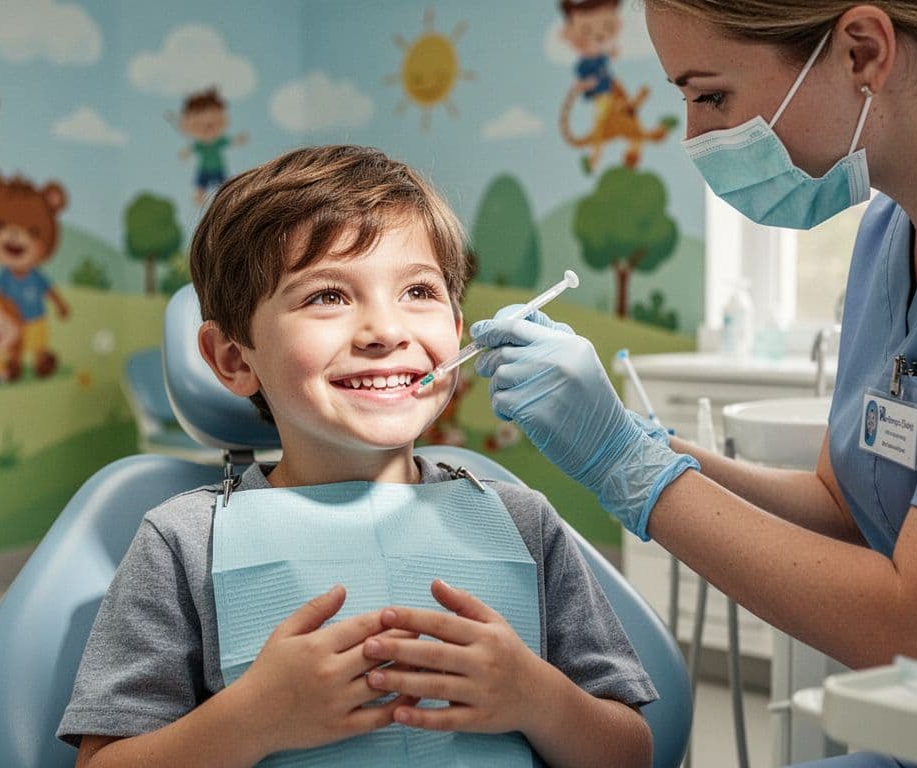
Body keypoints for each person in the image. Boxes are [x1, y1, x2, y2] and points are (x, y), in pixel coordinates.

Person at [389, 2, 917, 765]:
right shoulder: (893, 227)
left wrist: (628, 469)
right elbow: (846, 505)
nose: (695, 137)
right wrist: (642, 440)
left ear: (860, 52)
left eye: (710, 96)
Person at [57, 145, 656, 767]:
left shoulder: (524, 524)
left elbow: (633, 753)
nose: (385, 331)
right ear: (235, 359)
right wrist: (253, 720)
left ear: (456, 329)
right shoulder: (182, 543)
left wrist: (539, 700)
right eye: (327, 297)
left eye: (419, 291)